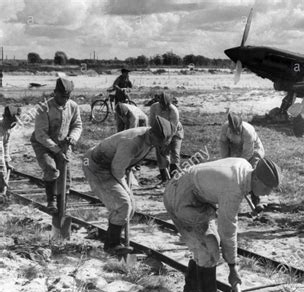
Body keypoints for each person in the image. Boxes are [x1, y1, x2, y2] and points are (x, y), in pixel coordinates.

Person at [163, 157, 281, 292]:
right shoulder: (233, 187)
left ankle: (193, 288)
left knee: (209, 245)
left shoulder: (245, 168)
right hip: (180, 197)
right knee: (209, 248)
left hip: (195, 195)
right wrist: (233, 267)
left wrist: (231, 263)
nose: (268, 193)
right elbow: (228, 230)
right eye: (267, 188)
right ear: (257, 178)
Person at [82, 116, 174, 252]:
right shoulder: (132, 142)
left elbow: (125, 163)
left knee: (131, 207)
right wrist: (126, 189)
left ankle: (114, 239)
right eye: (161, 142)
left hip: (110, 165)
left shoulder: (149, 138)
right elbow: (117, 169)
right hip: (95, 165)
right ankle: (111, 245)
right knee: (123, 204)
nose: (162, 145)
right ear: (153, 134)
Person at [30, 78, 82, 210]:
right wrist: (57, 151)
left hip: (63, 144)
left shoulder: (73, 106)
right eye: (62, 96)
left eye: (68, 96)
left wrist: (72, 137)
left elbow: (77, 125)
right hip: (43, 144)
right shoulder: (44, 108)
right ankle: (51, 200)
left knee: (65, 173)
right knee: (51, 168)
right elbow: (41, 134)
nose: (65, 99)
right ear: (55, 93)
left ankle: (62, 204)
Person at [219, 112, 265, 209]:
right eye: (232, 130)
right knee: (229, 174)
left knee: (252, 172)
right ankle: (231, 200)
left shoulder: (248, 132)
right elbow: (223, 144)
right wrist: (226, 161)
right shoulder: (225, 128)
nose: (234, 132)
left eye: (237, 131)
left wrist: (238, 168)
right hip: (234, 148)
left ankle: (256, 200)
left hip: (253, 151)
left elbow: (247, 154)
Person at [149, 92, 183, 183]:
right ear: (159, 103)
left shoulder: (173, 110)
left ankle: (173, 179)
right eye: (162, 106)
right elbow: (151, 123)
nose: (165, 108)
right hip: (160, 131)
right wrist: (157, 139)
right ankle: (164, 179)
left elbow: (173, 130)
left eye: (167, 106)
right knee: (161, 154)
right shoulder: (154, 107)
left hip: (175, 132)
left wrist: (166, 143)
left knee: (175, 153)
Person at [0, 105, 22, 194]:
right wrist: (2, 173)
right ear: (6, 118)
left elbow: (6, 144)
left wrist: (7, 162)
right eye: (12, 121)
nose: (14, 124)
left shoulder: (7, 128)